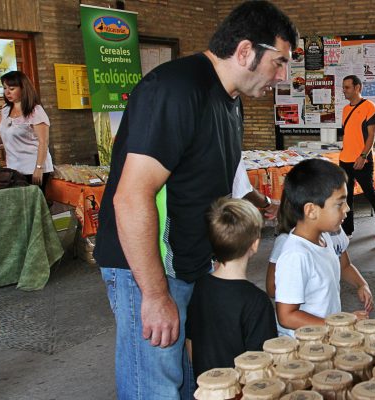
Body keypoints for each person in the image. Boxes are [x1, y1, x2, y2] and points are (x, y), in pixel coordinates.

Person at [93, 2, 297, 398]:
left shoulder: (230, 100)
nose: (283, 75)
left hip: (189, 263)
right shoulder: (175, 89)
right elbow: (131, 197)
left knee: (190, 380)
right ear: (244, 51)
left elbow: (206, 173)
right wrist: (153, 295)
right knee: (154, 385)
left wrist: (255, 199)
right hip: (148, 268)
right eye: (280, 62)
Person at [274, 159, 374, 337]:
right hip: (304, 349)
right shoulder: (296, 255)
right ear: (311, 210)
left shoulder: (325, 236)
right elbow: (286, 316)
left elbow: (344, 266)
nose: (347, 208)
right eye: (339, 203)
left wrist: (362, 284)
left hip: (325, 336)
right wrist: (339, 324)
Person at [185, 198, 278, 378]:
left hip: (208, 389)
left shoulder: (199, 287)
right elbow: (263, 361)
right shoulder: (256, 301)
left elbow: (190, 343)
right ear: (255, 244)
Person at [338, 75, 375, 237]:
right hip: (345, 159)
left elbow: (372, 134)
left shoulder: (369, 106)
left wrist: (363, 156)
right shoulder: (345, 109)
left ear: (357, 88)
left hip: (362, 159)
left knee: (369, 192)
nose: (344, 90)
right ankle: (347, 230)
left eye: (347, 87)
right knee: (345, 196)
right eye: (343, 87)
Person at [0, 71, 53, 191]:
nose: (7, 92)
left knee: (33, 205)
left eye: (11, 88)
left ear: (23, 88)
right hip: (14, 169)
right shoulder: (5, 110)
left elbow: (43, 142)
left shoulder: (35, 111)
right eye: (5, 88)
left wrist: (38, 168)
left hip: (34, 167)